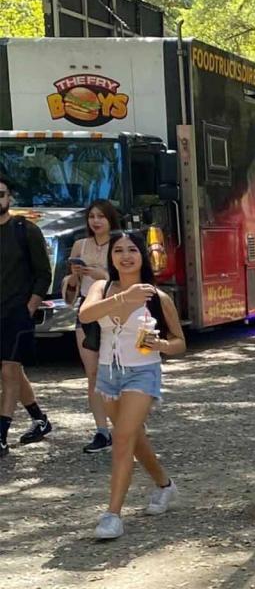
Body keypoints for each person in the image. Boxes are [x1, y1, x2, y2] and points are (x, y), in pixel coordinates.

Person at [77, 232, 186, 539]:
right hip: (109, 373)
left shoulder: (157, 297)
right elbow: (86, 314)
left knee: (122, 438)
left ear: (143, 256)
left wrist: (160, 344)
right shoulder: (102, 287)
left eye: (132, 250)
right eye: (119, 250)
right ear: (111, 257)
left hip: (143, 372)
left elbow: (180, 343)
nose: (126, 256)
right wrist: (124, 297)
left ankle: (112, 515)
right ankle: (165, 486)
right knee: (134, 439)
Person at [0, 175, 54, 458]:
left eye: (1, 194)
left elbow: (43, 274)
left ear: (10, 197)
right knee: (14, 372)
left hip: (16, 314)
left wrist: (29, 308)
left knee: (8, 371)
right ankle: (40, 419)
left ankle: (1, 436)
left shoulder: (25, 230)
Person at [62, 200, 122, 453]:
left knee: (119, 371)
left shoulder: (121, 244)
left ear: (110, 220)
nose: (96, 221)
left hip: (115, 307)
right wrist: (75, 277)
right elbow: (69, 297)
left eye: (101, 217)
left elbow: (127, 280)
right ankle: (102, 431)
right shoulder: (80, 245)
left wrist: (103, 276)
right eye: (92, 217)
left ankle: (127, 426)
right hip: (87, 308)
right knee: (93, 374)